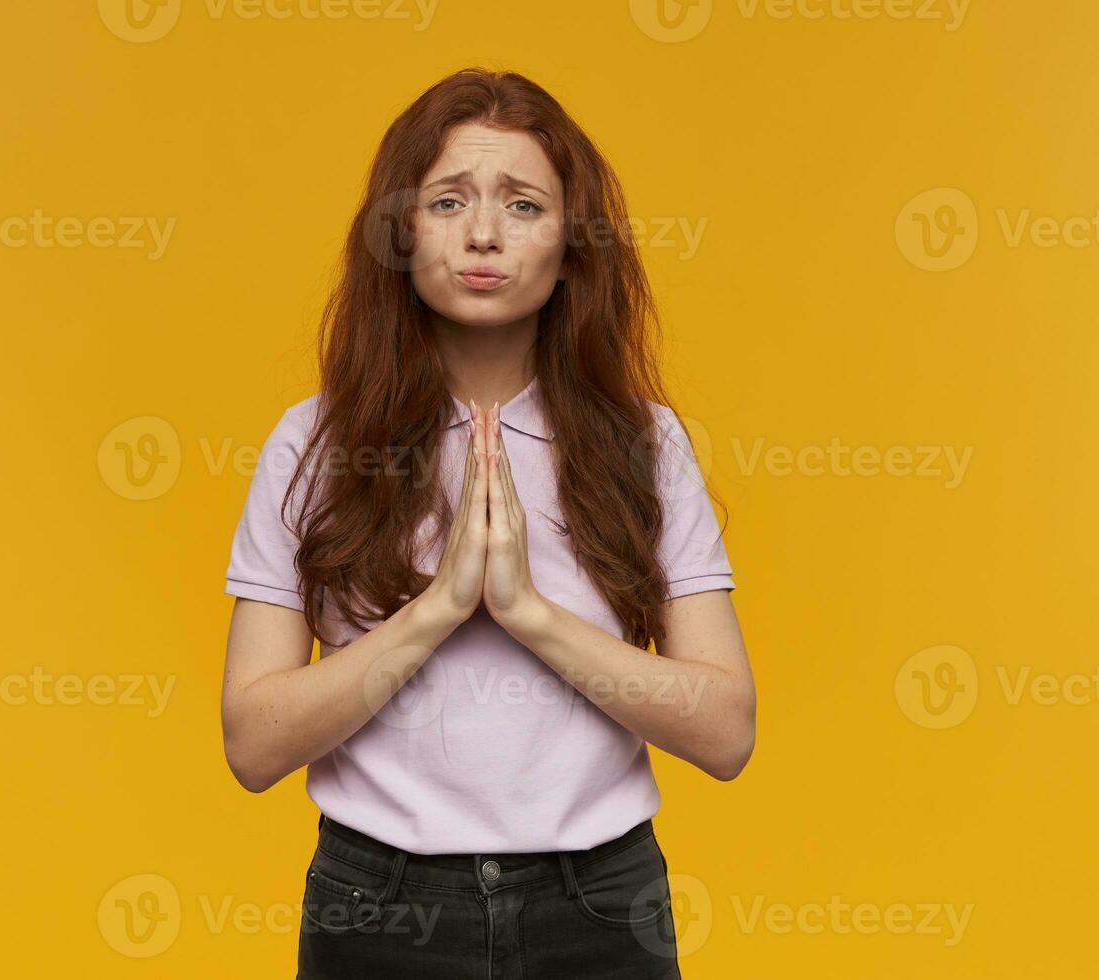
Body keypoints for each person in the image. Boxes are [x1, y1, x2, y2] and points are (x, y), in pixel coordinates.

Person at [220, 66, 756, 979]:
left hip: (599, 902)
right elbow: (253, 742)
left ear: (570, 245)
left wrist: (528, 613)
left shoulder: (642, 441)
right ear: (399, 230)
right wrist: (435, 611)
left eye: (522, 205)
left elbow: (726, 731)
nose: (481, 234)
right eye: (447, 200)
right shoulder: (314, 441)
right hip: (378, 902)